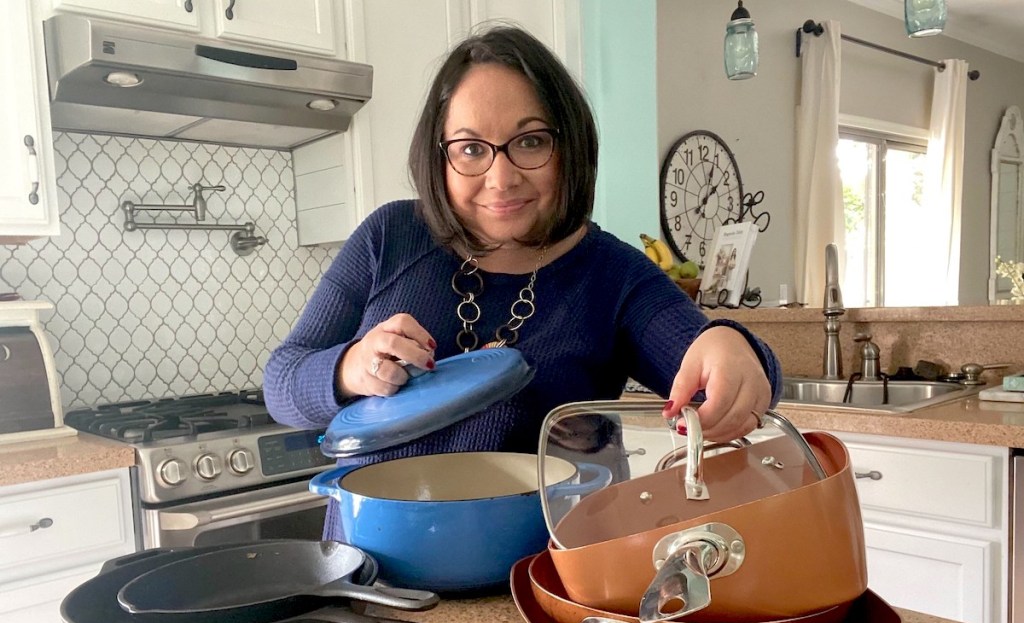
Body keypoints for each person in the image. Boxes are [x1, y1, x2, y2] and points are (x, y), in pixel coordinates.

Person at [264, 25, 782, 541]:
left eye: (530, 141)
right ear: (439, 154)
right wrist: (350, 367)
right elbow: (282, 381)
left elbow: (722, 362)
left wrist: (732, 345)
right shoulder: (389, 236)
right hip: (371, 583)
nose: (501, 177)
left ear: (569, 147)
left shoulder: (613, 275)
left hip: (538, 593)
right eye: (470, 149)